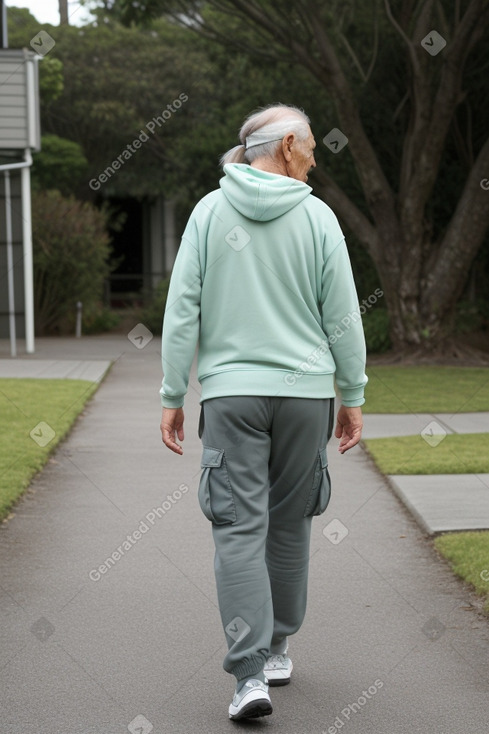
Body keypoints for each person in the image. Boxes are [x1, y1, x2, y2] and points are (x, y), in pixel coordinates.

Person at [160, 104, 367, 721]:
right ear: (284, 145)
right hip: (306, 396)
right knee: (289, 522)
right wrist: (351, 395)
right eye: (308, 144)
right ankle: (276, 649)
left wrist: (174, 395)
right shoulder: (319, 217)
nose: (315, 155)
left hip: (232, 395)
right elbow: (343, 316)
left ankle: (248, 676)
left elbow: (181, 311)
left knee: (237, 528)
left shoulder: (208, 211)